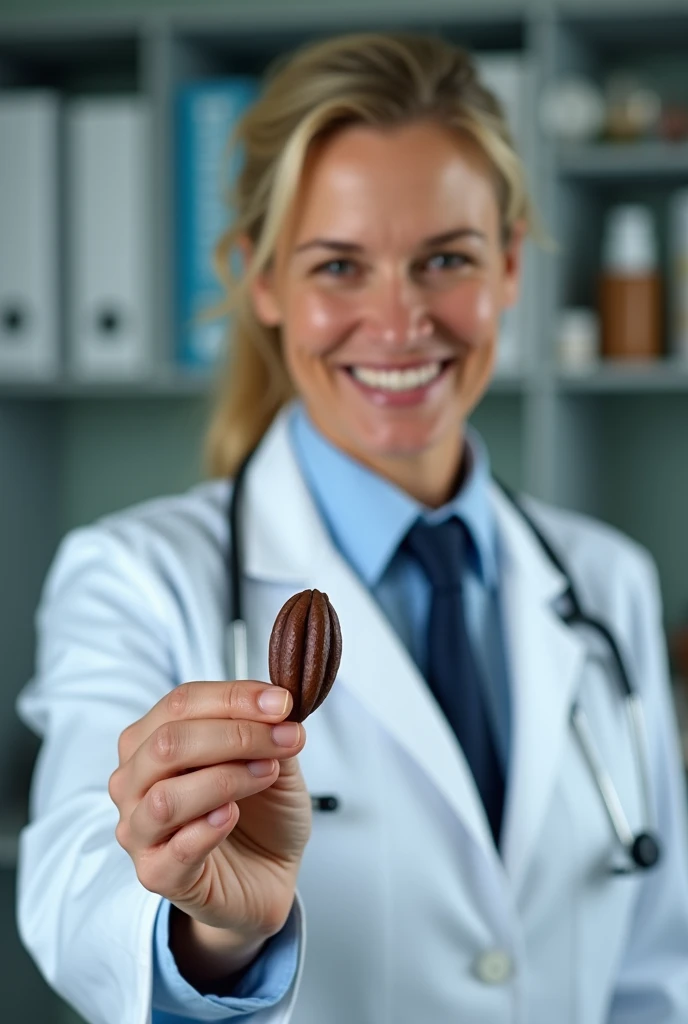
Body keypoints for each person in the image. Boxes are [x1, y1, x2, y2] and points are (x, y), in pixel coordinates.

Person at [15, 31, 688, 1024]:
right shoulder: (133, 576)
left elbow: (655, 966)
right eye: (338, 266)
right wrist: (219, 930)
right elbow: (74, 893)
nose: (399, 320)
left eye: (445, 259)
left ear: (507, 266)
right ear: (262, 280)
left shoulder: (606, 581)